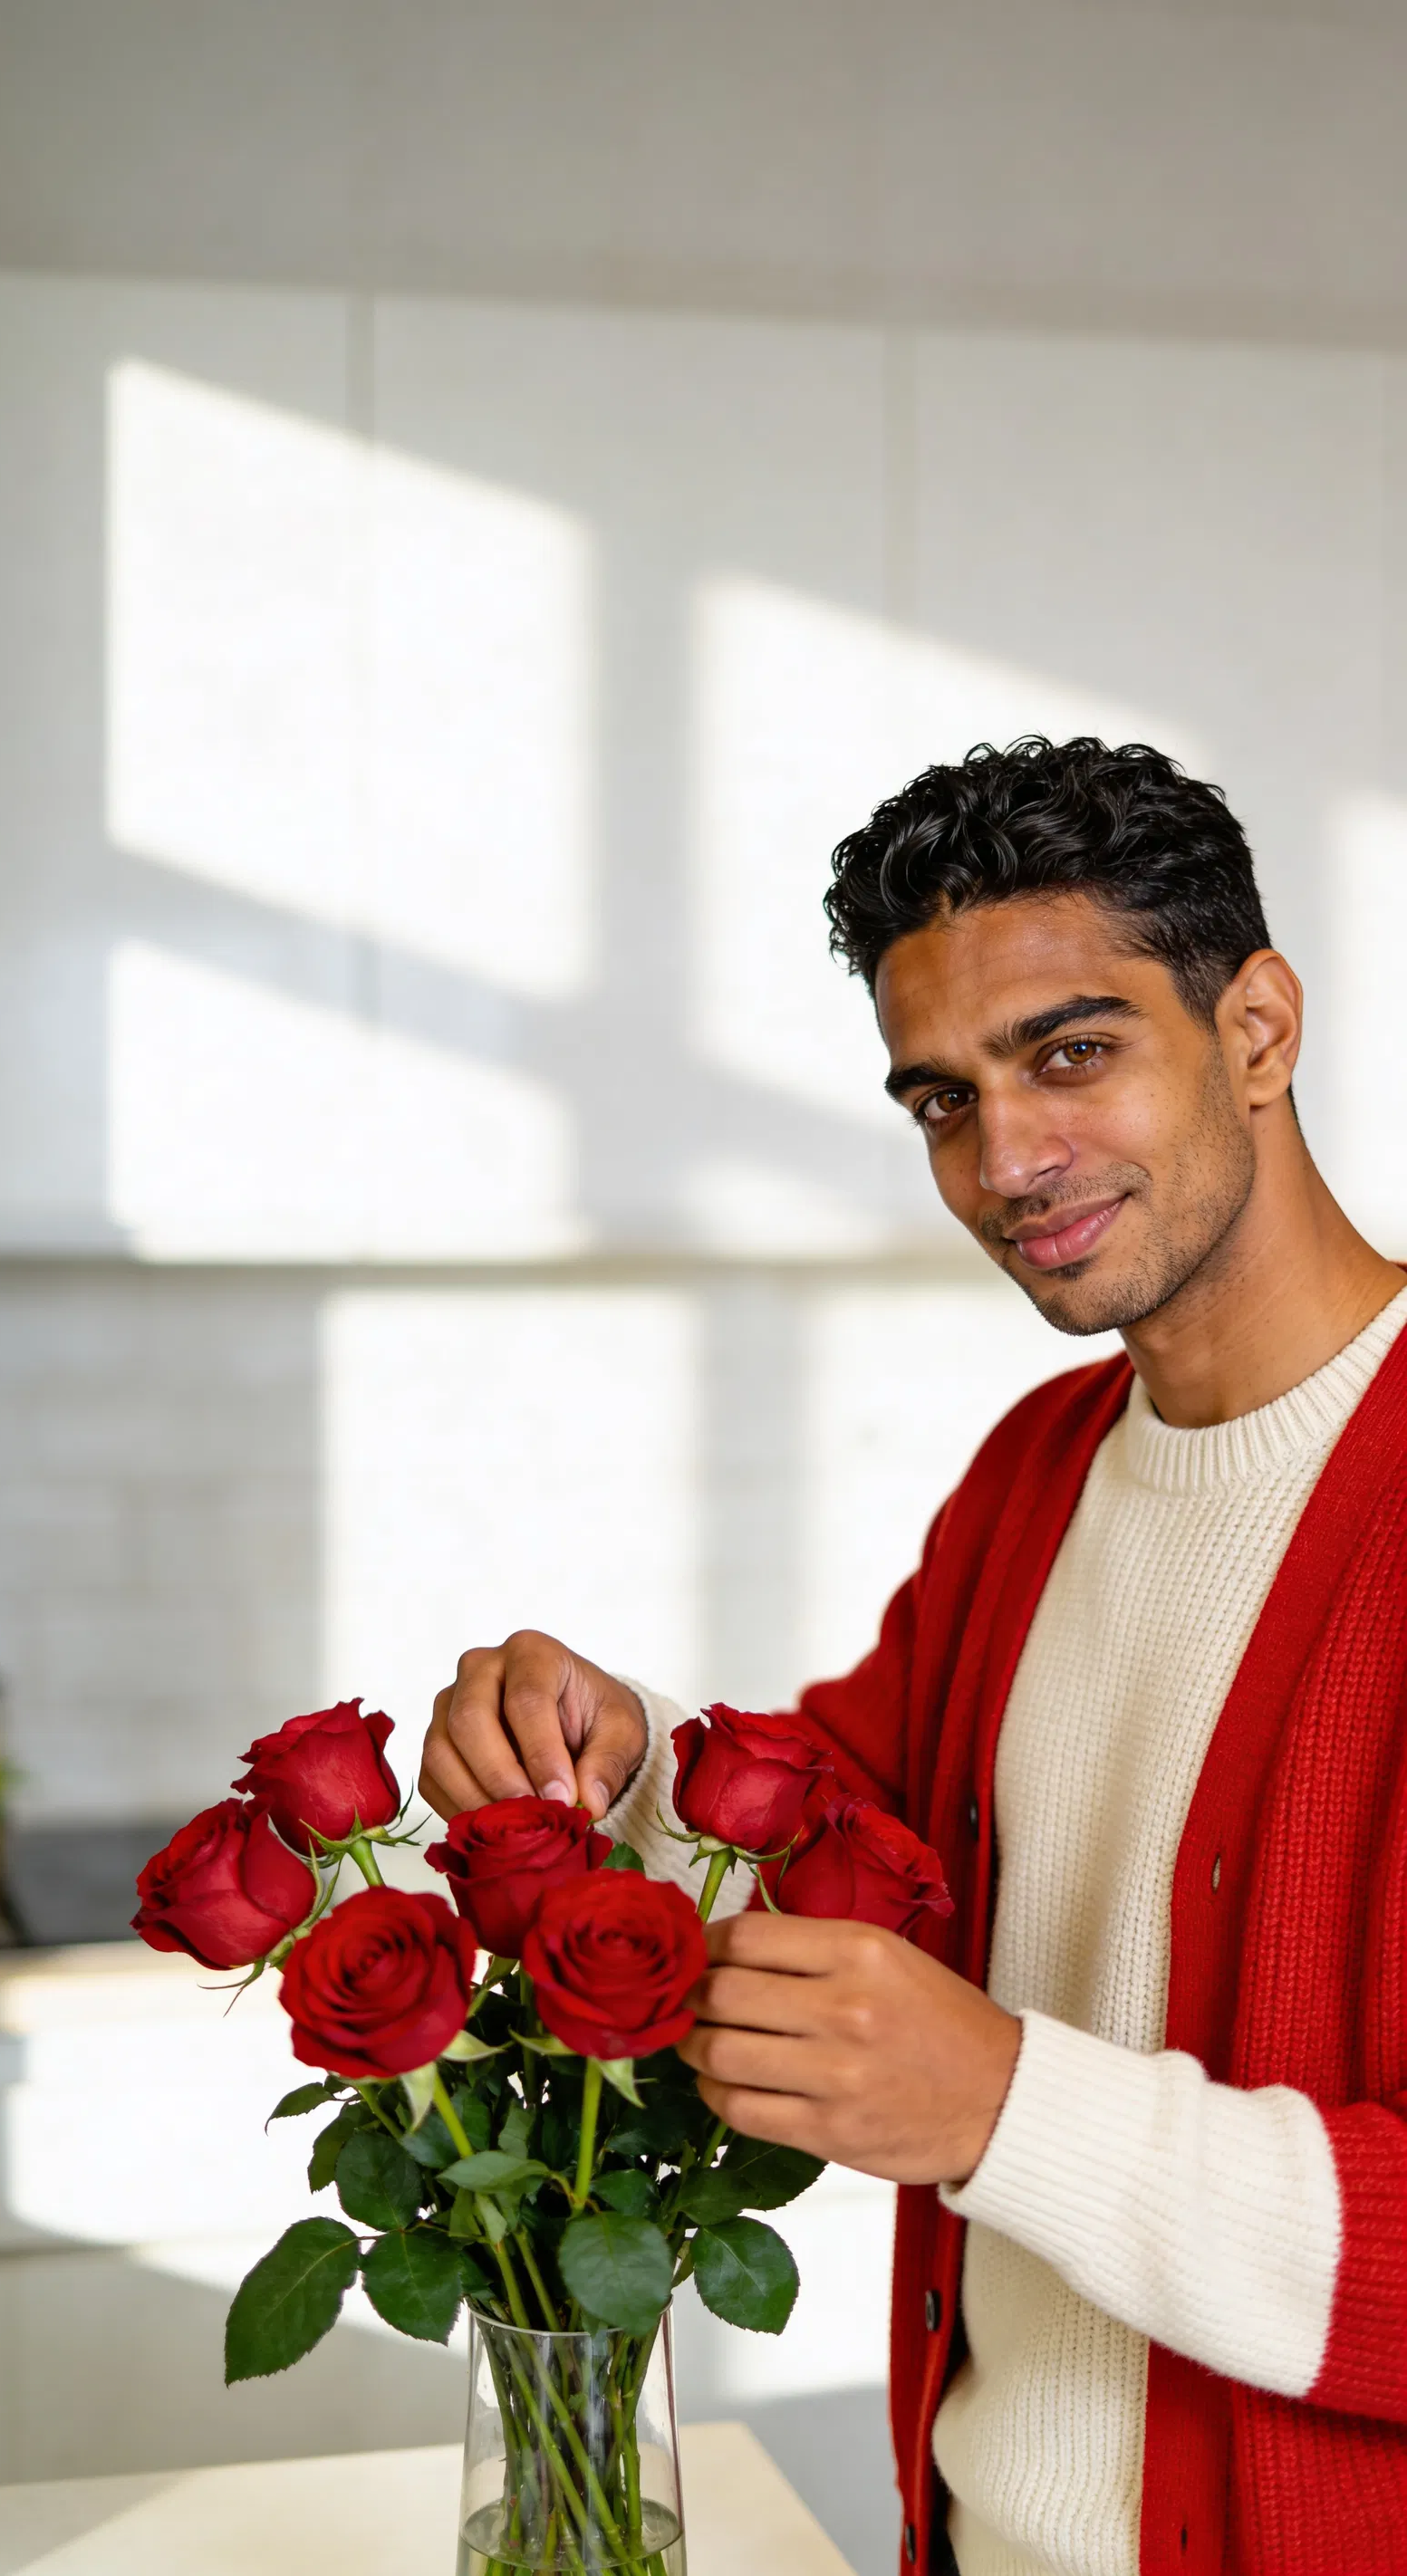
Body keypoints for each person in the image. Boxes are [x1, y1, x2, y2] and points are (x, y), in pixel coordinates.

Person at [419, 736, 1407, 2576]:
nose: (1007, 1159)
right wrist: (610, 1773)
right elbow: (834, 1858)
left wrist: (1005, 2105)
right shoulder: (1033, 1476)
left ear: (1256, 1025)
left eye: (1069, 1050)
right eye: (940, 1099)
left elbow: (967, 2072)